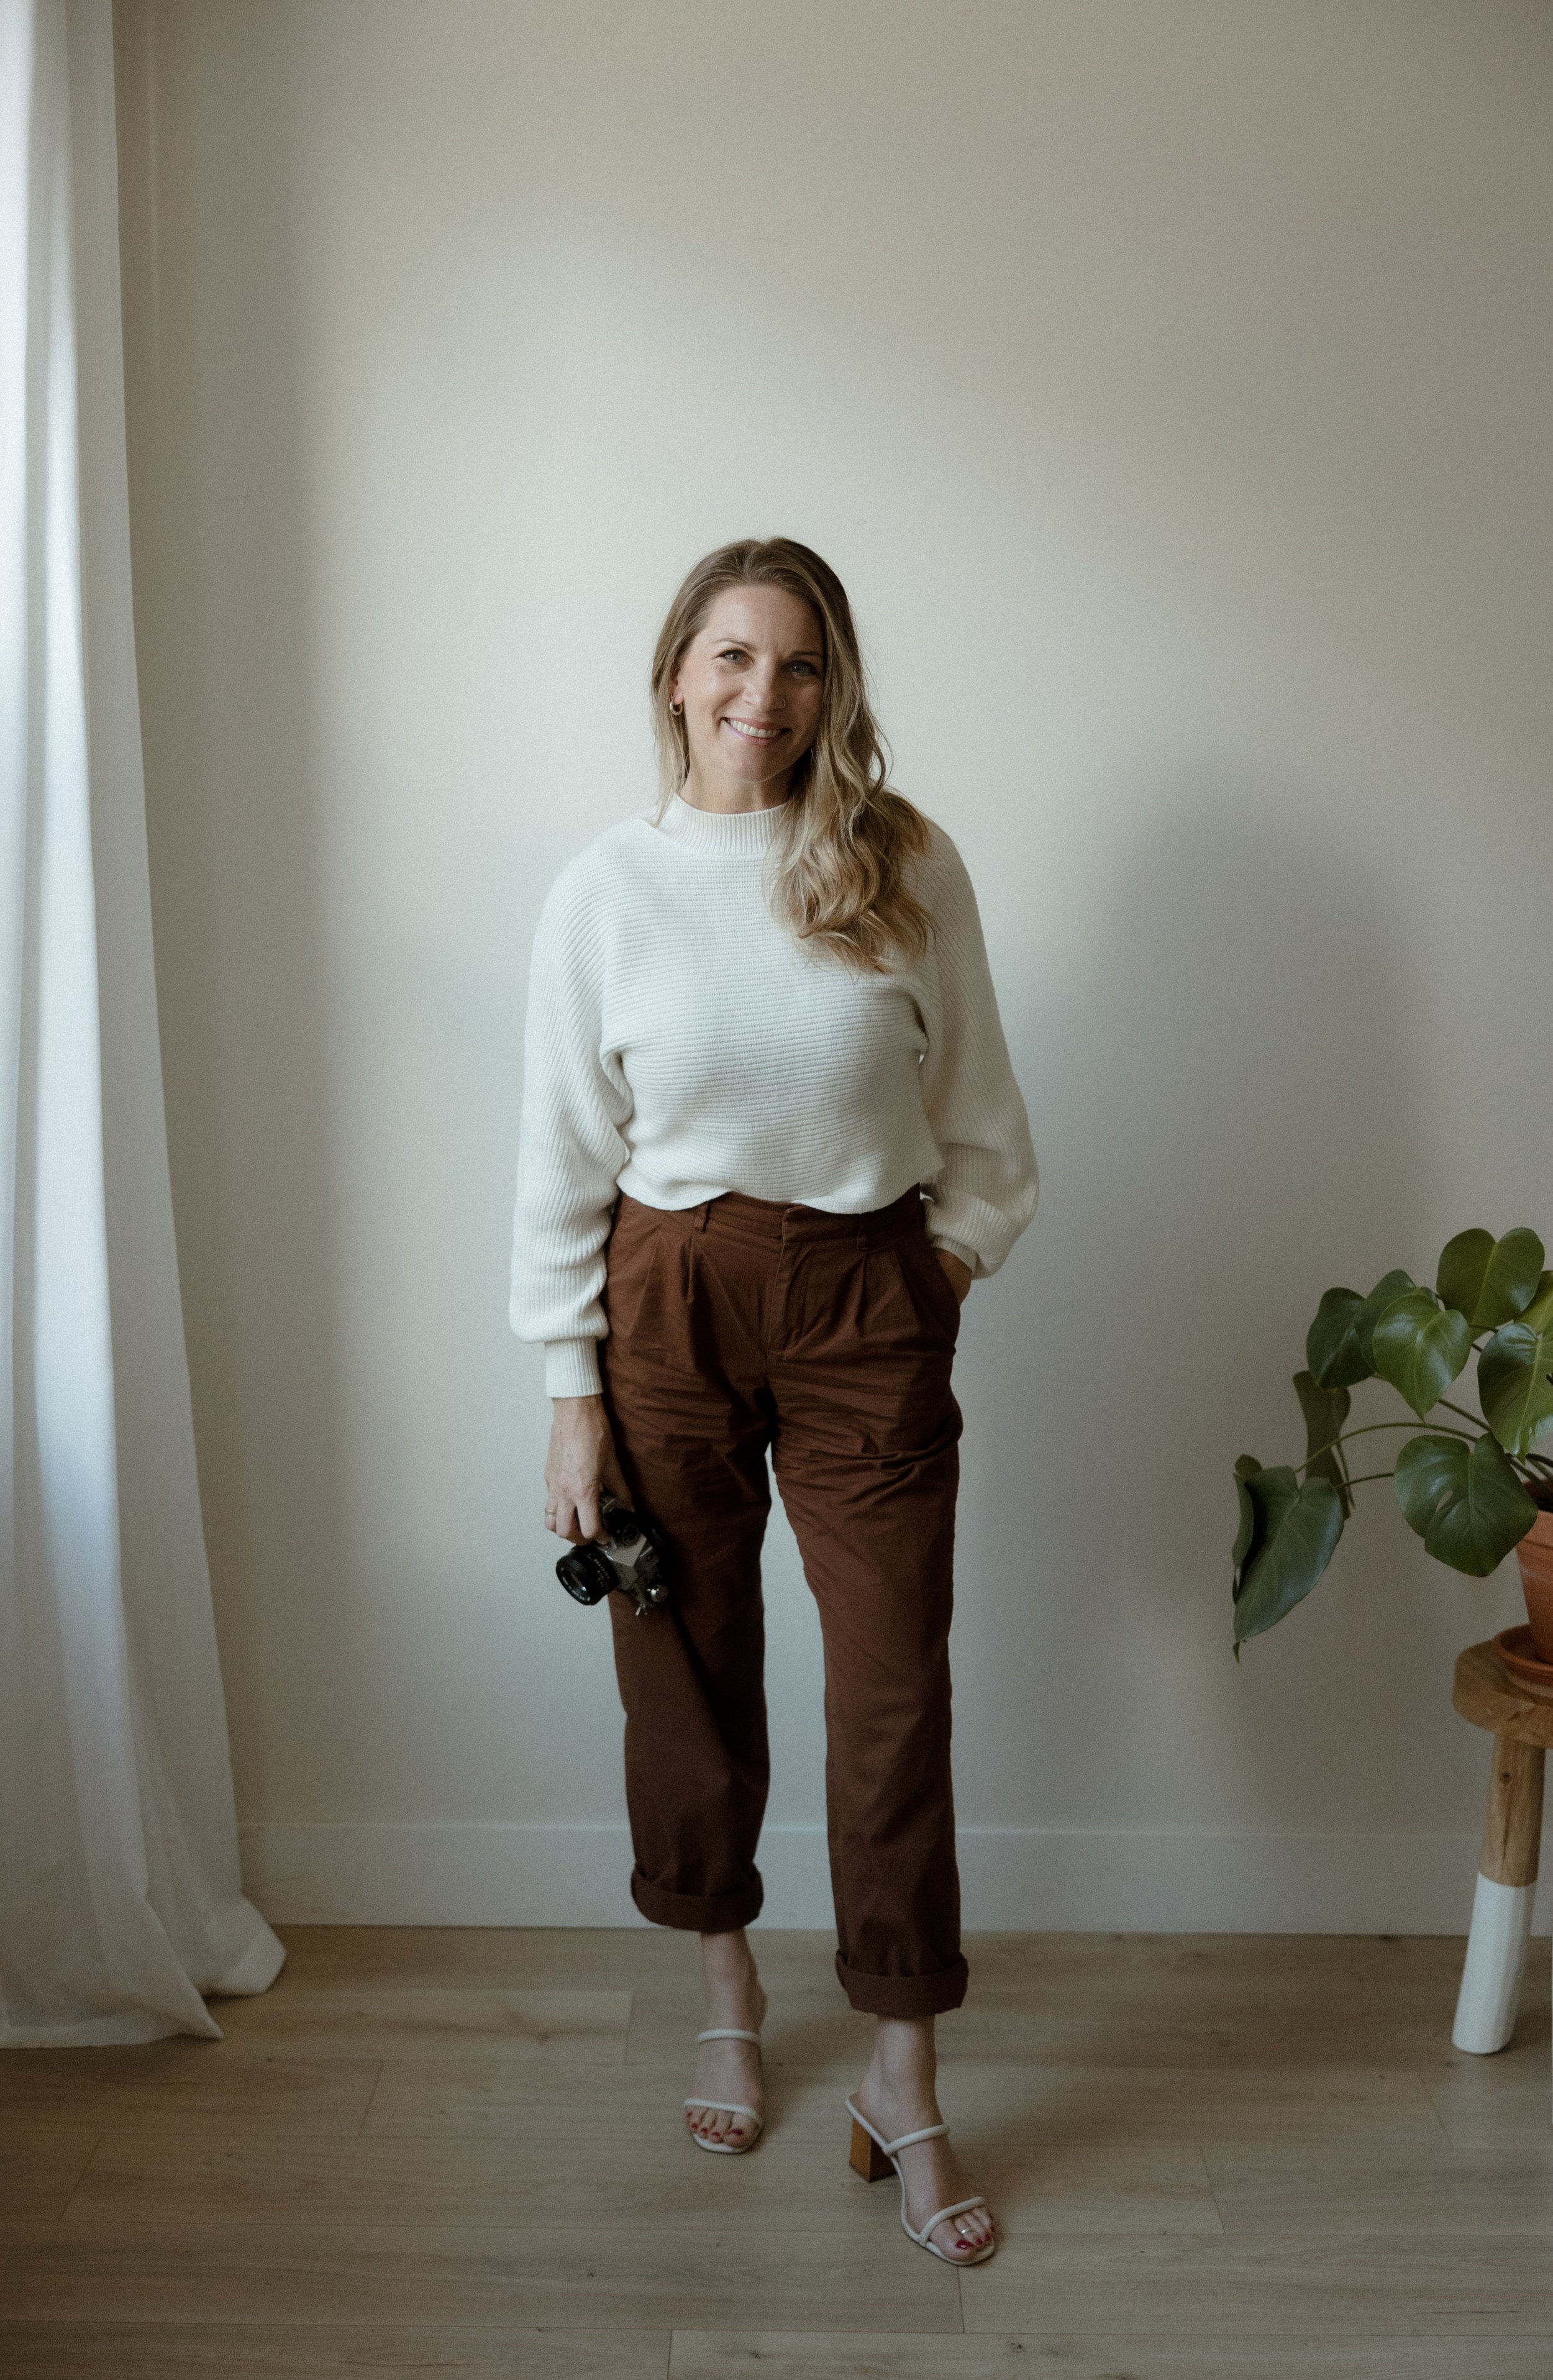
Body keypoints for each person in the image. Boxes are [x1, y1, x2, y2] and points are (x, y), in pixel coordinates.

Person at [510, 537, 1037, 2265]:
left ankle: (903, 2065)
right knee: (685, 1659)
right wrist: (569, 1388)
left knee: (891, 1693)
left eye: (800, 665)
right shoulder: (603, 889)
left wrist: (933, 1269)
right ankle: (725, 1975)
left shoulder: (900, 863)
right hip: (663, 1297)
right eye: (731, 658)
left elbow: (983, 1123)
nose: (763, 696)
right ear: (674, 673)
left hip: (863, 1302)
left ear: (836, 690)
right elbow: (558, 1161)